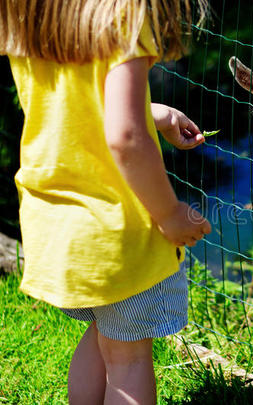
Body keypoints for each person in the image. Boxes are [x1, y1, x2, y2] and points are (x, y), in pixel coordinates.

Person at [0, 1, 211, 403]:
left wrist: (154, 113)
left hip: (56, 218)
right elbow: (126, 137)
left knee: (103, 335)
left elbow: (72, 106)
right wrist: (169, 214)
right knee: (128, 359)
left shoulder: (30, 13)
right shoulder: (123, 14)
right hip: (116, 231)